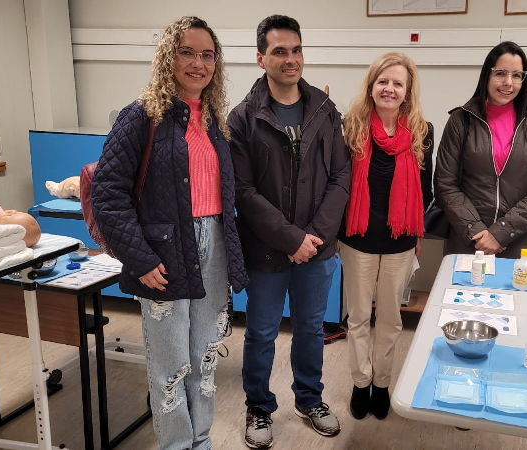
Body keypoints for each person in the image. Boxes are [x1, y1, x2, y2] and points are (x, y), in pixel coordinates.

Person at [90, 16, 247, 450]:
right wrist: (139, 258)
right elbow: (108, 194)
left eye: (207, 55)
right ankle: (177, 446)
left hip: (211, 247)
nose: (198, 63)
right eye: (187, 52)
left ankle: (201, 441)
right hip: (164, 252)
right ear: (168, 57)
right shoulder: (141, 116)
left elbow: (220, 198)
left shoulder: (215, 121)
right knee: (170, 365)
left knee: (205, 358)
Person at [228, 14, 351, 449]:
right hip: (266, 248)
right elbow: (241, 189)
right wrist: (289, 238)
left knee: (311, 327)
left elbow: (340, 176)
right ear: (260, 57)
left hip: (317, 248)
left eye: (296, 50)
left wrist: (312, 237)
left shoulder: (323, 108)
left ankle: (309, 399)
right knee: (261, 331)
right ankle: (258, 407)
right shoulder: (243, 117)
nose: (290, 59)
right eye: (279, 51)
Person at [338, 52, 433, 420]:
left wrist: (418, 234)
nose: (389, 89)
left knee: (392, 319)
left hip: (400, 241)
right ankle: (361, 384)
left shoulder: (423, 132)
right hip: (357, 238)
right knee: (359, 317)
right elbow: (339, 185)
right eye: (383, 81)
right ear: (372, 86)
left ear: (407, 92)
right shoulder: (350, 127)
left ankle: (382, 385)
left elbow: (425, 189)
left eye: (397, 83)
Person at [434, 41, 527, 259]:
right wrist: (477, 231)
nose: (508, 83)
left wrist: (500, 233)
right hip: (470, 241)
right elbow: (445, 184)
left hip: (521, 243)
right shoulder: (461, 121)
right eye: (500, 73)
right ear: (487, 75)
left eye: (517, 75)